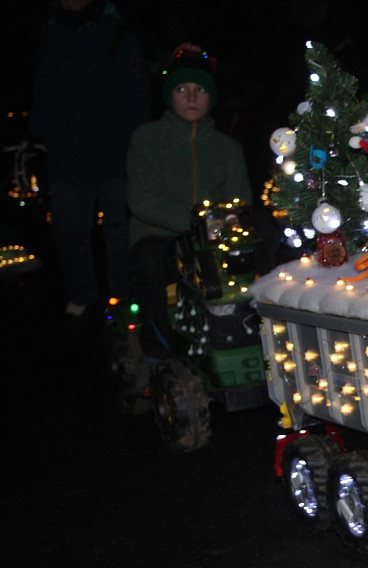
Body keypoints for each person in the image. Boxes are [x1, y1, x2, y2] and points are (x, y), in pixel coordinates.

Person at [127, 44, 251, 360]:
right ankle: (159, 352)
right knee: (150, 265)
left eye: (200, 90)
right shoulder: (148, 138)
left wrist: (218, 229)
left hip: (213, 241)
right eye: (182, 89)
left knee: (249, 264)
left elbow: (240, 203)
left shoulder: (228, 149)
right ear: (170, 95)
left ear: (211, 97)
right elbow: (142, 198)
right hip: (161, 237)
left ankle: (244, 339)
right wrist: (198, 222)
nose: (192, 97)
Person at [30, 0, 150, 319]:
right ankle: (82, 291)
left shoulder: (116, 32)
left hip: (114, 151)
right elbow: (42, 87)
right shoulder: (50, 32)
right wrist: (40, 133)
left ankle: (122, 295)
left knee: (118, 229)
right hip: (67, 155)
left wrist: (138, 146)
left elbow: (137, 93)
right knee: (70, 228)